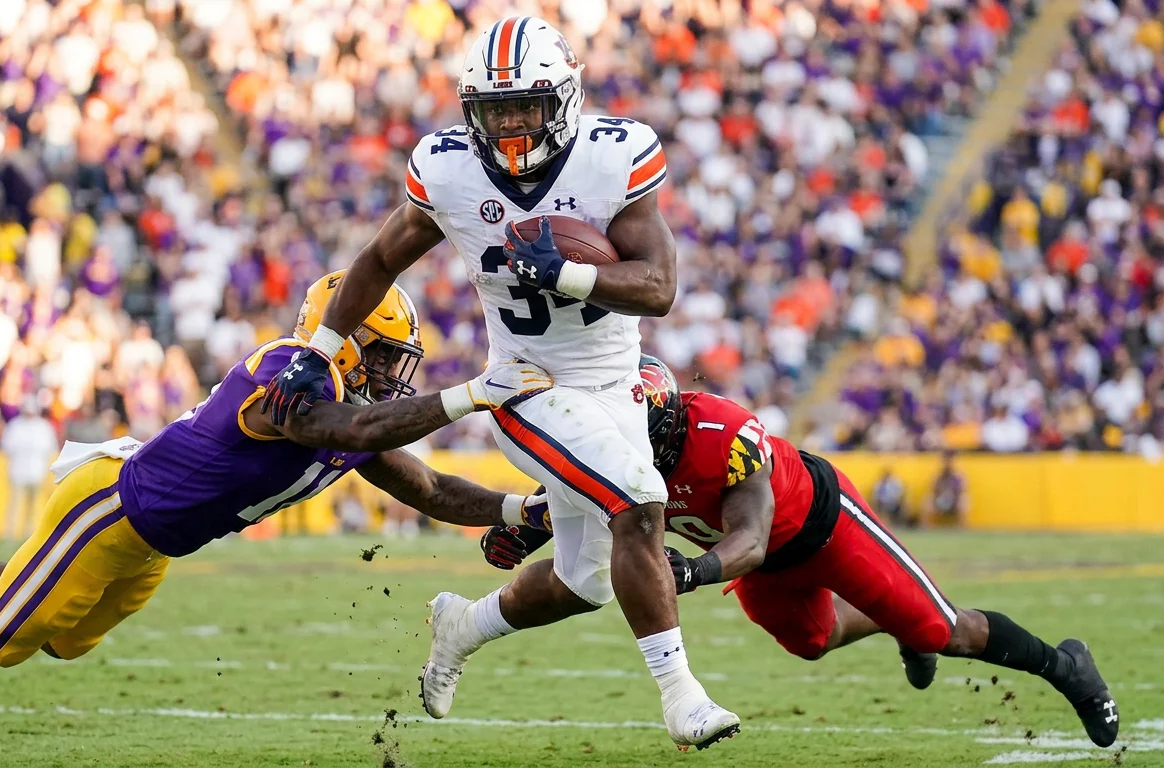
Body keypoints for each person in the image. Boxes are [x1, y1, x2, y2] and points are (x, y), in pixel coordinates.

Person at [0, 272, 553, 766]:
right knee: (8, 636)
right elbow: (345, 430)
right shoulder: (291, 371)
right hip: (111, 508)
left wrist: (522, 507)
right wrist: (468, 397)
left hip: (153, 544)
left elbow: (425, 485)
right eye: (389, 354)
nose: (397, 373)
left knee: (59, 637)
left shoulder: (353, 415)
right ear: (350, 338)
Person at [259, 17, 736, 751]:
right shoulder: (448, 171)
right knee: (640, 504)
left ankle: (462, 624)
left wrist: (569, 274)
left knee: (585, 583)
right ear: (470, 111)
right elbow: (378, 260)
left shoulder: (615, 157)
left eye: (526, 106)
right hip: (527, 383)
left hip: (614, 383)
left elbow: (659, 286)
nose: (511, 125)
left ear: (565, 100)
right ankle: (683, 698)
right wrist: (319, 349)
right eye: (495, 109)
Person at [481, 356, 1120, 750]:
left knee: (944, 628)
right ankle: (895, 627)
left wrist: (694, 571)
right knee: (812, 643)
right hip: (761, 566)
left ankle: (1068, 669)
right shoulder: (619, 450)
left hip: (820, 526)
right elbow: (577, 483)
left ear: (666, 417)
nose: (625, 448)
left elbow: (750, 538)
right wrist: (524, 525)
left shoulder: (723, 433)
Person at [0, 398, 59, 539]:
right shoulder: (14, 426)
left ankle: (30, 535)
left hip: (37, 471)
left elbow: (50, 449)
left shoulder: (44, 427)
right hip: (18, 471)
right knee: (15, 504)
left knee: (34, 506)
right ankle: (10, 534)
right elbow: (6, 447)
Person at [925, 451, 968, 527]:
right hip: (940, 500)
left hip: (954, 501)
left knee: (963, 500)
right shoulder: (938, 476)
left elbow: (963, 490)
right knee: (928, 501)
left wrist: (955, 498)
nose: (948, 463)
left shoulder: (958, 476)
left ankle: (962, 527)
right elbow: (933, 490)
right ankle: (925, 527)